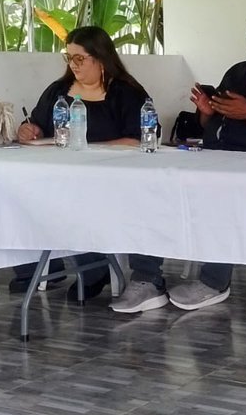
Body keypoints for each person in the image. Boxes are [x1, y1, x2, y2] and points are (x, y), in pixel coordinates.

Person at [111, 3, 246, 314]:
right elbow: (213, 125)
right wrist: (207, 114)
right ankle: (146, 279)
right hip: (215, 154)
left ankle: (214, 281)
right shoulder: (237, 72)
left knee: (221, 193)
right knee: (154, 183)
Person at [14, 26, 154, 301]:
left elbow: (139, 139)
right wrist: (28, 130)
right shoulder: (58, 91)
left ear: (100, 58)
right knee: (24, 197)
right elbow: (37, 125)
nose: (73, 65)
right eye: (69, 58)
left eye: (80, 58)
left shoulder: (125, 92)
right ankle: (37, 269)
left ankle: (96, 271)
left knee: (84, 202)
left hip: (115, 178)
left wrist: (92, 149)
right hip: (64, 175)